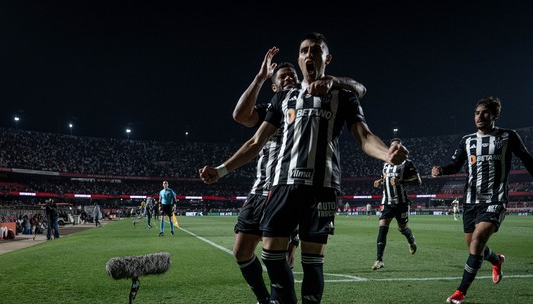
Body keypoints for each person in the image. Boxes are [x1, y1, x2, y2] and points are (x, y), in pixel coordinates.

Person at [200, 32, 408, 303]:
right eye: (304, 50)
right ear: (299, 59)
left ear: (327, 58)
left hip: (322, 189)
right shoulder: (283, 98)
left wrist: (386, 155)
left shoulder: (343, 97)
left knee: (312, 262)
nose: (310, 54)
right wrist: (223, 169)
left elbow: (364, 137)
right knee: (271, 256)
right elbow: (255, 140)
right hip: (282, 185)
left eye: (316, 50)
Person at [231, 46, 367, 304]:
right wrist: (260, 77)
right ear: (274, 86)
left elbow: (358, 89)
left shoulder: (316, 100)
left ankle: (280, 299)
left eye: (292, 75)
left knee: (292, 257)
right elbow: (241, 116)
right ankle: (265, 299)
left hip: (295, 188)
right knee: (242, 251)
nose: (290, 78)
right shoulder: (274, 106)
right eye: (283, 77)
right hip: (263, 190)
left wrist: (331, 81)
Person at [431, 96, 533, 304]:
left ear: (494, 115)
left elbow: (526, 158)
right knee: (473, 247)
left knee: (477, 242)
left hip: (495, 199)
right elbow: (455, 165)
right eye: (477, 112)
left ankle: (460, 292)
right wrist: (441, 170)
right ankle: (497, 260)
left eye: (485, 112)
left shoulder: (507, 136)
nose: (480, 116)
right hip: (471, 200)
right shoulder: (467, 141)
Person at [371, 138, 421, 271]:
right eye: (392, 147)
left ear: (400, 148)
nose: (393, 149)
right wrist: (379, 182)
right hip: (387, 202)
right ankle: (379, 260)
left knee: (402, 228)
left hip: (401, 203)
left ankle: (411, 240)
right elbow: (384, 178)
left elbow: (418, 181)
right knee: (382, 228)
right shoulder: (385, 163)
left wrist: (402, 181)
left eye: (396, 147)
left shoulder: (407, 163)